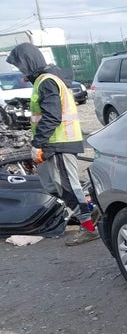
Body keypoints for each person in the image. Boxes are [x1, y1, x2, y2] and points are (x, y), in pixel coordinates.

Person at [6, 42, 98, 245]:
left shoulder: (46, 81)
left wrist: (37, 144)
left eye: (20, 66)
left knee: (67, 186)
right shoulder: (44, 79)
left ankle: (88, 227)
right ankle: (90, 213)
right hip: (54, 143)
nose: (20, 71)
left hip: (59, 143)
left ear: (28, 62)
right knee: (52, 185)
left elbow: (52, 116)